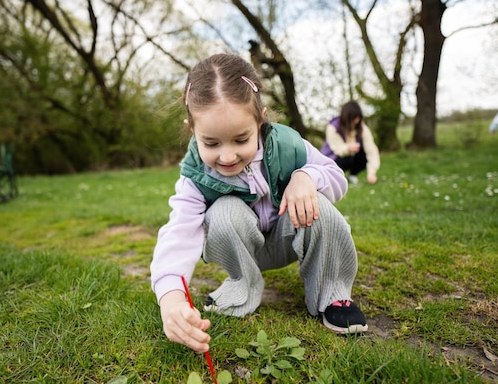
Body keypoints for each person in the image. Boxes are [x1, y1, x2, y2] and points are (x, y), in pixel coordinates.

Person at [150, 53, 368, 354]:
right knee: (223, 211)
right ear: (192, 130)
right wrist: (171, 298)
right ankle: (241, 287)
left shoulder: (288, 145)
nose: (227, 157)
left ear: (260, 119)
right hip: (242, 247)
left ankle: (332, 293)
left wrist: (306, 177)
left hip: (290, 236)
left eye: (241, 140)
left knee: (316, 200)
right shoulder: (194, 176)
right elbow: (178, 233)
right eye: (211, 143)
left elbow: (336, 177)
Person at [320, 101, 380, 185]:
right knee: (347, 159)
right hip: (332, 158)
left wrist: (372, 172)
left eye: (358, 118)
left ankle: (352, 175)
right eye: (353, 118)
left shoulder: (361, 127)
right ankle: (332, 177)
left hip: (350, 156)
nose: (356, 121)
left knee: (362, 155)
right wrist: (347, 148)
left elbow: (371, 150)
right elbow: (338, 150)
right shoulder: (333, 127)